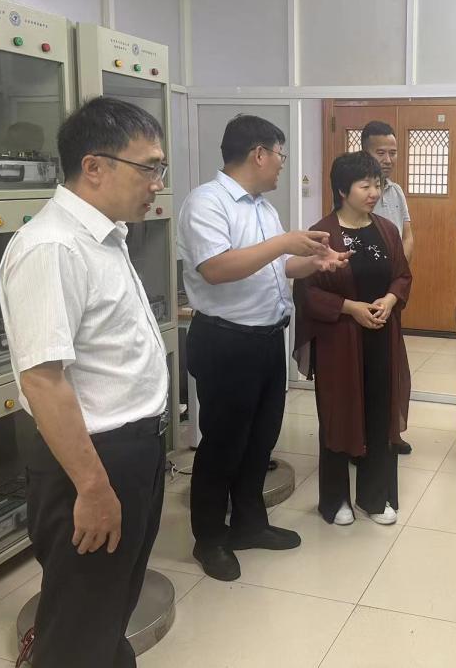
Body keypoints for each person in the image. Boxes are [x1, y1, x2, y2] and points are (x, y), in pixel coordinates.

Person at [0, 97, 170, 668]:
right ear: (94, 166)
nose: (157, 184)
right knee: (79, 625)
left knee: (108, 607)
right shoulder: (53, 246)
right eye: (148, 167)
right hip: (91, 461)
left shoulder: (104, 237)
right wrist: (93, 489)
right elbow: (43, 382)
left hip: (131, 450)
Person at [178, 115, 349, 581]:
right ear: (259, 154)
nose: (281, 165)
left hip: (267, 338)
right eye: (280, 155)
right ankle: (209, 538)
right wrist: (282, 244)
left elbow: (276, 266)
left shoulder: (262, 208)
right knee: (223, 445)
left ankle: (249, 523)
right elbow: (216, 268)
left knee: (260, 440)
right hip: (226, 341)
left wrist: (313, 262)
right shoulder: (206, 203)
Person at [294, 152, 412, 525]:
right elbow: (307, 293)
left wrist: (390, 299)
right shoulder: (322, 233)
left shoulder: (386, 230)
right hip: (339, 341)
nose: (374, 192)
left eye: (377, 185)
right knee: (338, 415)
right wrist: (349, 307)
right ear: (343, 190)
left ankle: (374, 498)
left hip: (381, 336)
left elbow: (402, 274)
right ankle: (335, 500)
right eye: (365, 186)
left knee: (379, 413)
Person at [361, 120, 414, 456]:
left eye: (393, 152)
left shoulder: (395, 191)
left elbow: (408, 235)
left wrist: (397, 273)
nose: (388, 159)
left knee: (393, 366)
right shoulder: (354, 190)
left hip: (392, 290)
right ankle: (362, 438)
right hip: (363, 293)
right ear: (364, 150)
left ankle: (391, 432)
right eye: (381, 152)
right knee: (364, 369)